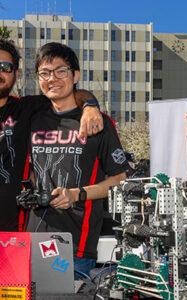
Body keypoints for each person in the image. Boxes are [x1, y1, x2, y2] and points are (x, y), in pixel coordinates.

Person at [26, 42, 128, 278]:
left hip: (75, 246)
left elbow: (119, 180)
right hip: (31, 238)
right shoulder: (32, 119)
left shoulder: (98, 123)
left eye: (61, 71)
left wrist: (76, 194)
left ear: (75, 76)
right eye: (45, 73)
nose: (53, 79)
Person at [0, 39, 103, 232]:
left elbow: (69, 94)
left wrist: (90, 106)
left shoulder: (25, 109)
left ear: (15, 74)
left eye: (5, 67)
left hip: (12, 237)